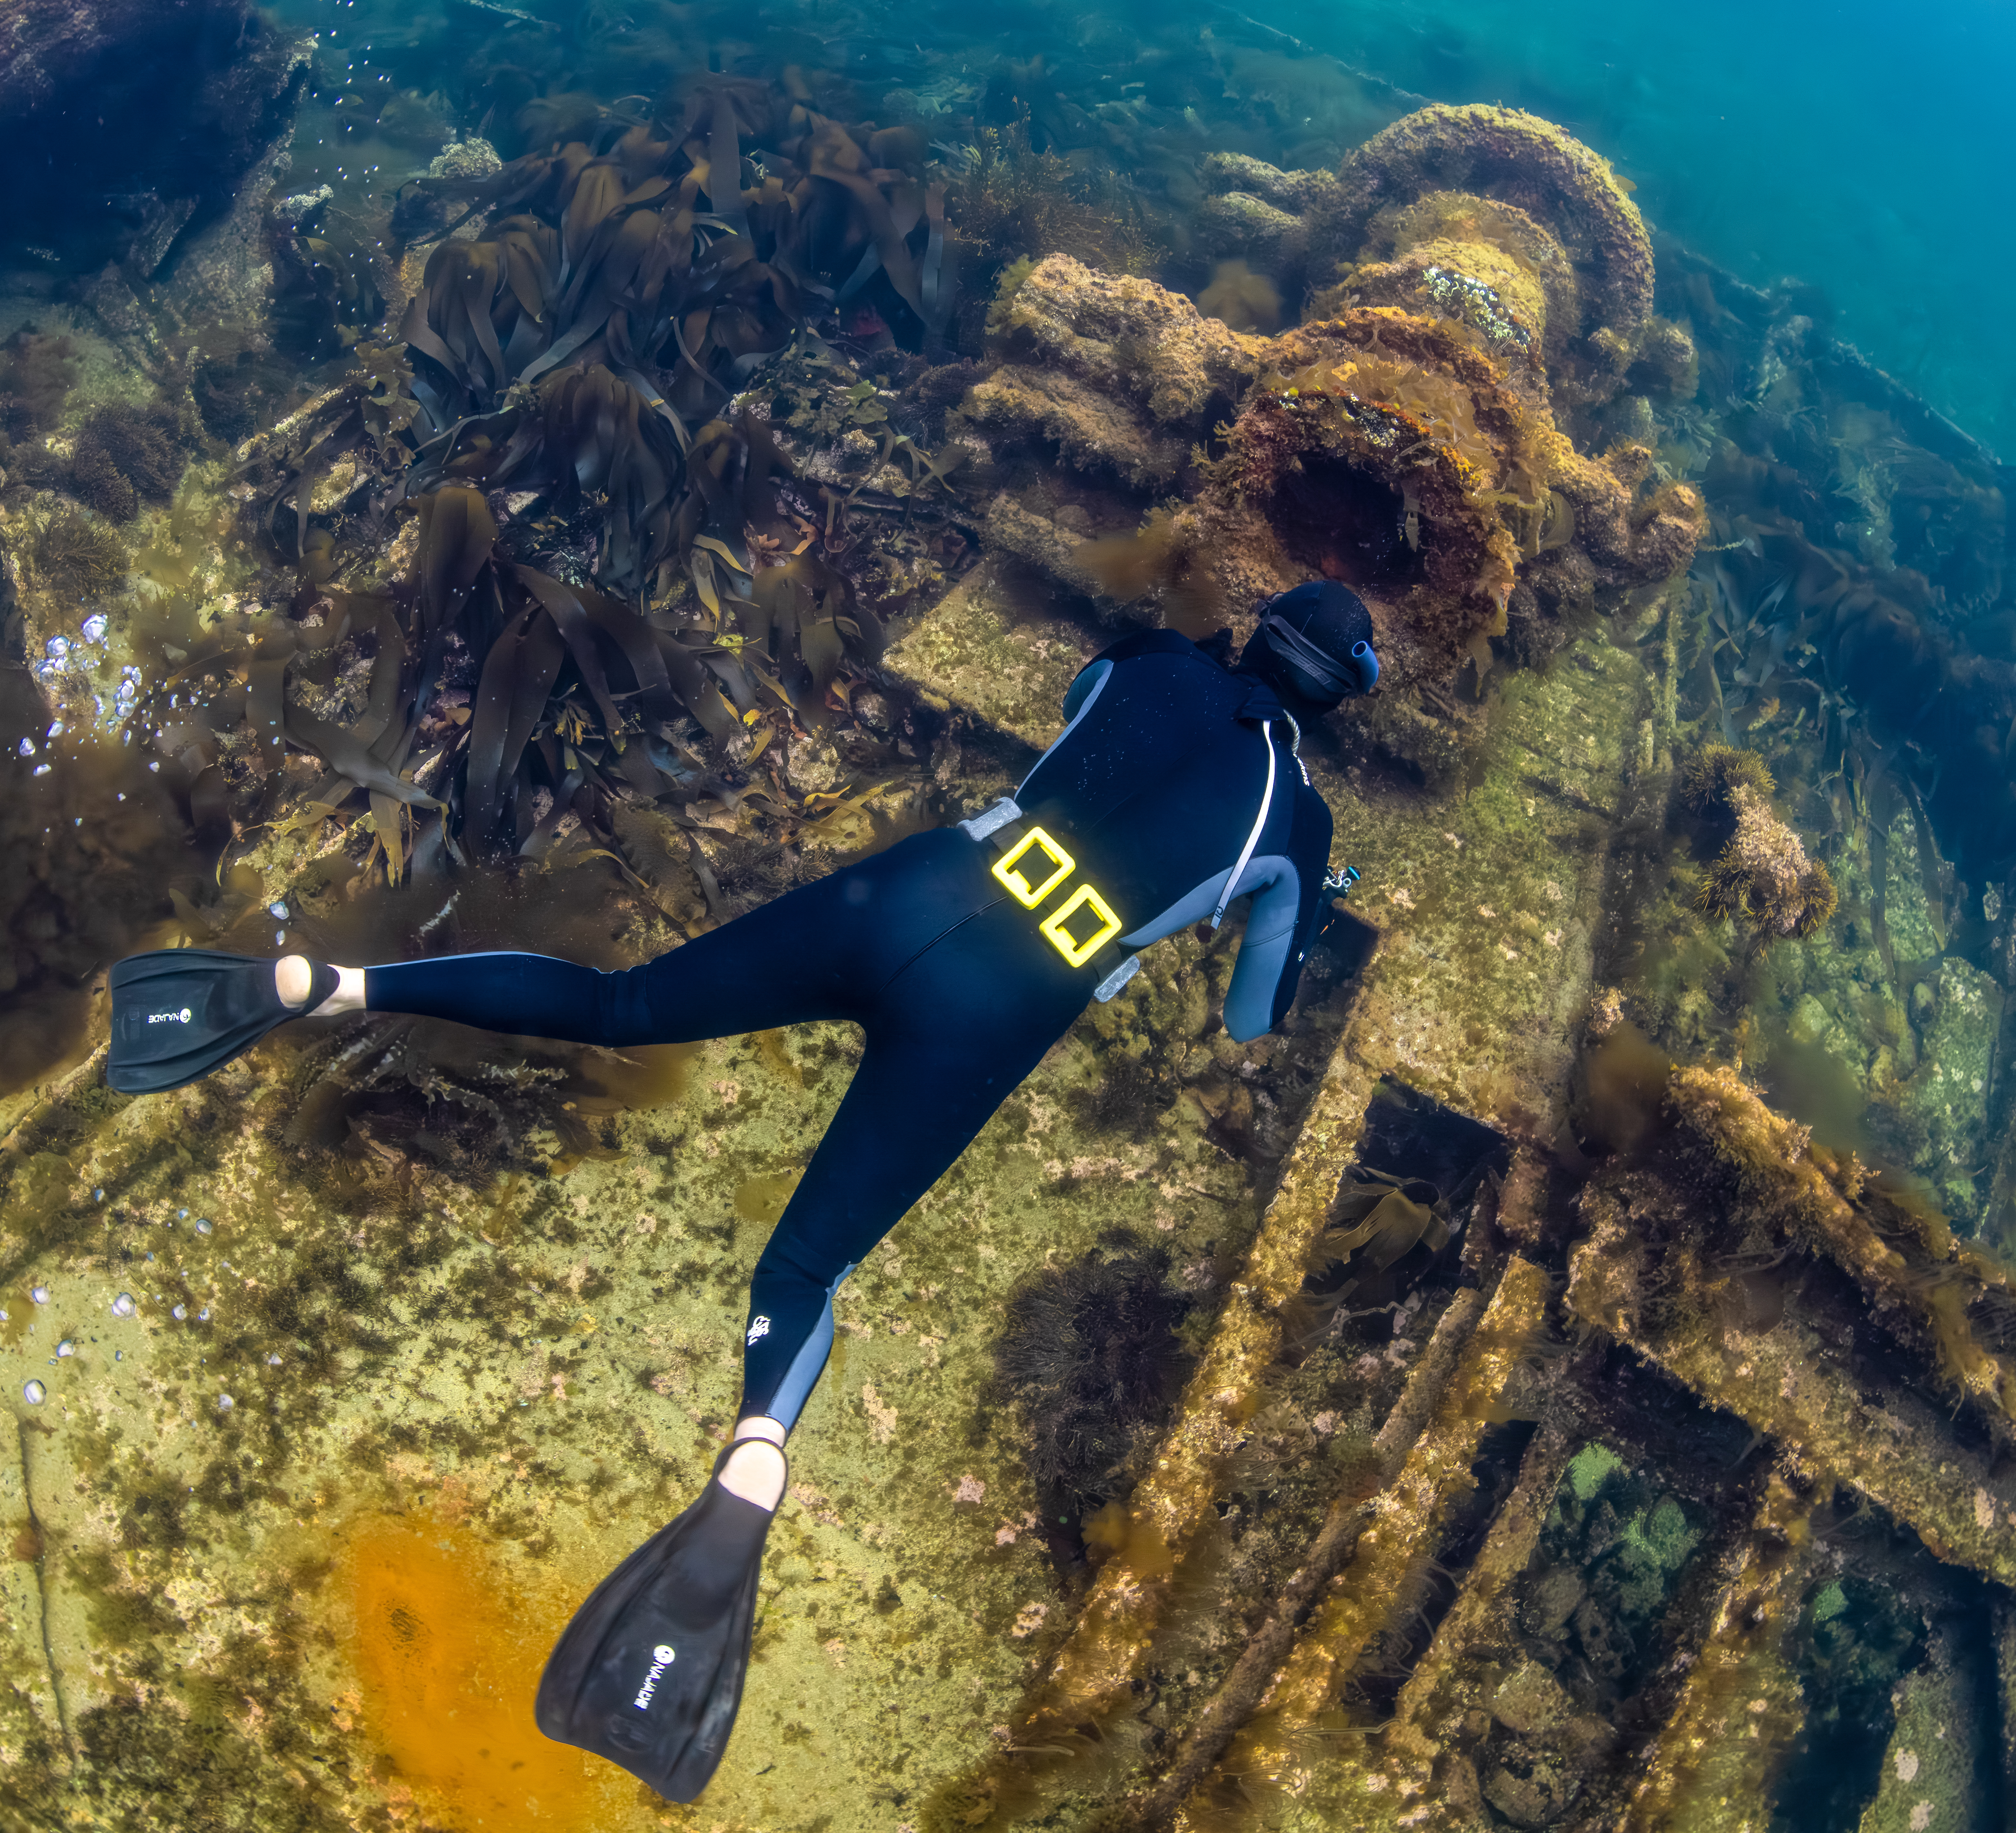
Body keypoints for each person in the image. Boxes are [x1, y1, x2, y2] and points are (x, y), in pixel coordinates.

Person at [103, 580, 1383, 1801]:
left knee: (622, 1006)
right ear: (1346, 700)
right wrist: (1298, 896)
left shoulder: (1153, 658)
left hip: (922, 887)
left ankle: (309, 990)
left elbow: (1082, 706)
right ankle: (752, 1471)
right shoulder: (1294, 820)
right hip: (1014, 990)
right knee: (802, 1269)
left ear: (1252, 632)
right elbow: (1256, 1020)